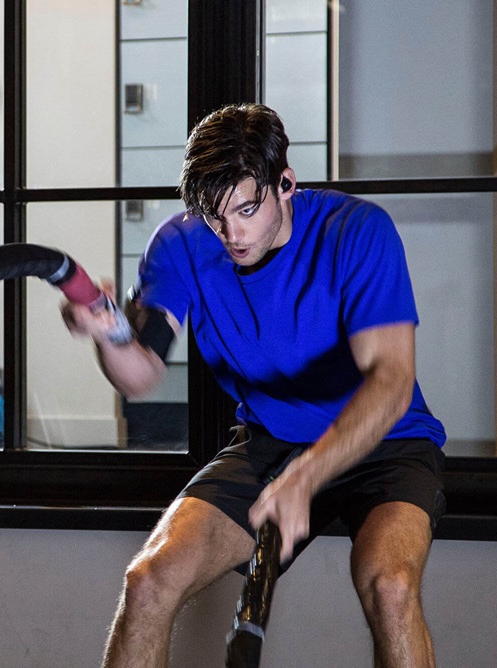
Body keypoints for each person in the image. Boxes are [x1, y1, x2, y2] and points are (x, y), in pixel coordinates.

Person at [61, 102, 447, 668]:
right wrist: (108, 338)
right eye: (215, 217)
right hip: (271, 441)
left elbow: (390, 383)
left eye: (246, 209)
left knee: (390, 586)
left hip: (383, 441)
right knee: (148, 579)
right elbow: (140, 375)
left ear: (285, 184)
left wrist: (306, 477)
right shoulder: (184, 244)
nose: (232, 235)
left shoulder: (358, 232)